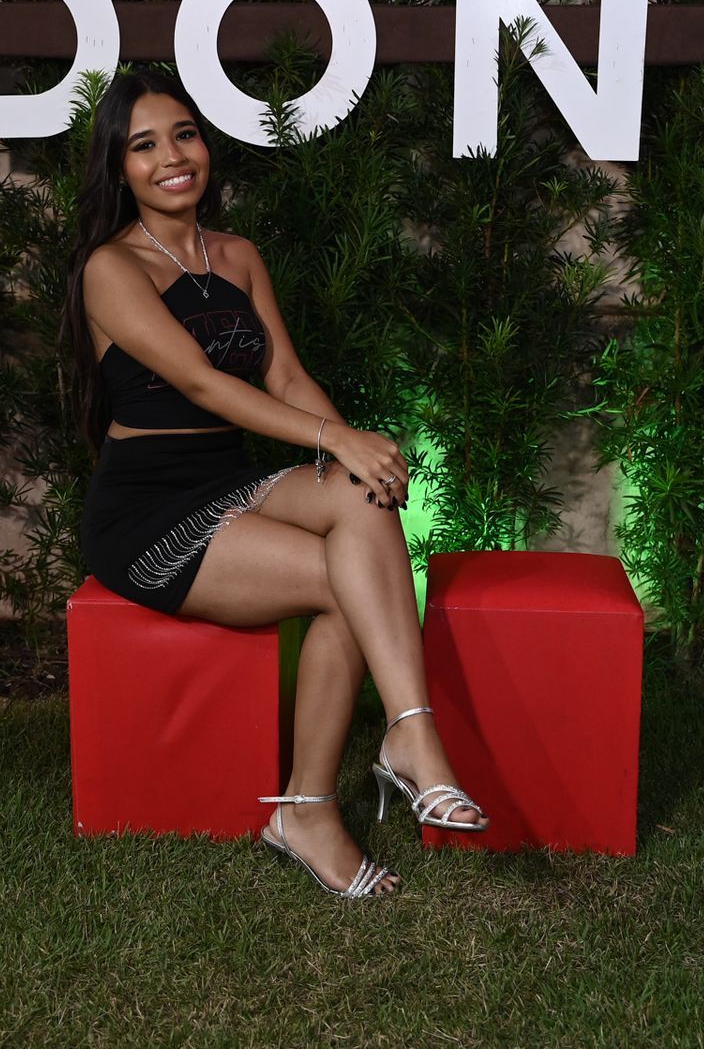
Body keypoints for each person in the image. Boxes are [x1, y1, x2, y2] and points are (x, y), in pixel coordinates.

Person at [63, 69, 488, 899]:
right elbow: (203, 384)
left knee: (360, 497)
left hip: (228, 482)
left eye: (184, 135)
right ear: (118, 170)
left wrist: (356, 455)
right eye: (144, 146)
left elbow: (285, 376)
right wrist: (335, 438)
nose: (172, 157)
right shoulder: (110, 269)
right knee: (348, 582)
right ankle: (322, 800)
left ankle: (402, 737)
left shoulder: (238, 256)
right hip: (149, 515)